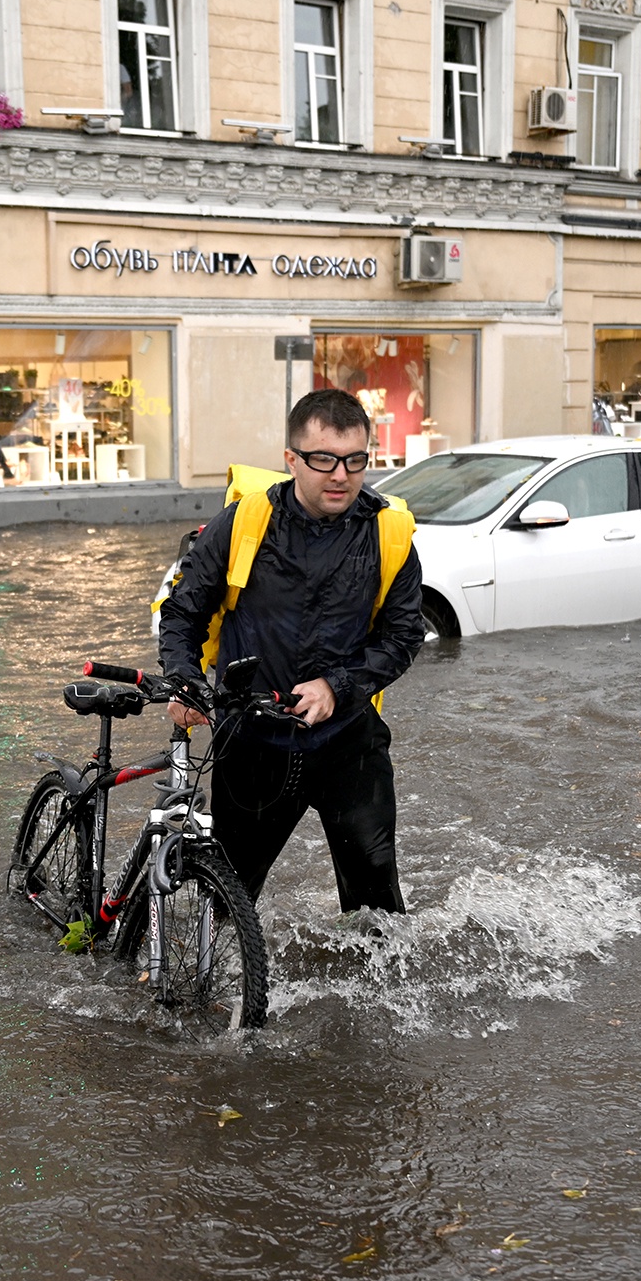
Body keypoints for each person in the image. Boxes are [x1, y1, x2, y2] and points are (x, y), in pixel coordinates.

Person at [155, 388, 425, 914]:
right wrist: (184, 678)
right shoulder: (243, 524)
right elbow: (183, 610)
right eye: (324, 459)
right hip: (252, 739)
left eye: (355, 460)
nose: (341, 475)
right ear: (291, 460)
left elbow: (403, 636)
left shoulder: (389, 533)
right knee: (228, 894)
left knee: (376, 893)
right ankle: (212, 983)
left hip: (348, 738)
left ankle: (372, 991)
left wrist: (338, 687)